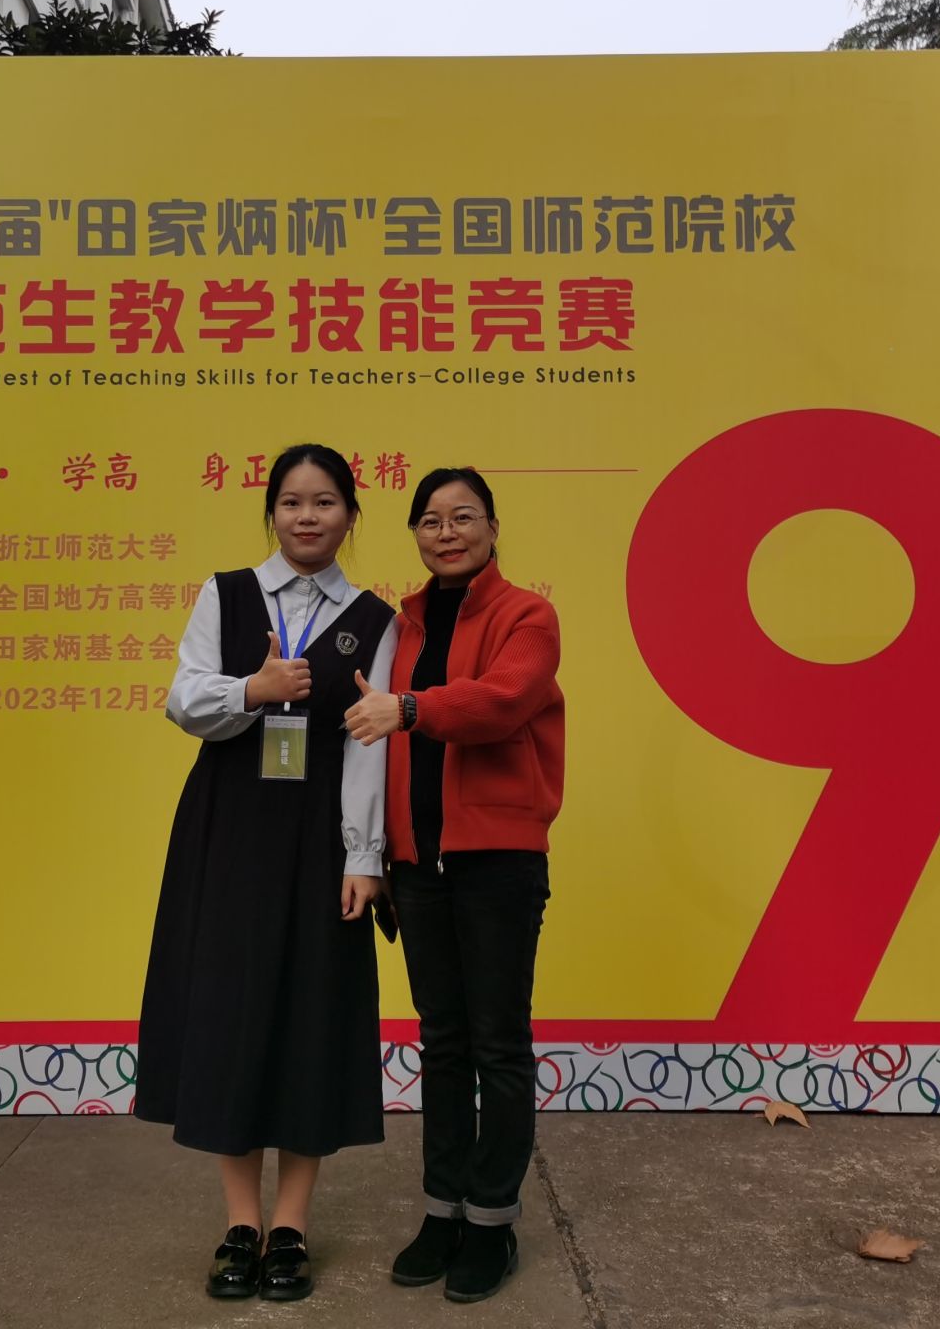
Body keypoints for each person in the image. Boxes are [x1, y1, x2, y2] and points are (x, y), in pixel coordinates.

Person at [135, 443, 399, 1302]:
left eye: (324, 502)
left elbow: (370, 747)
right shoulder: (227, 594)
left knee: (310, 1016)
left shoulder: (374, 619)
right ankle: (240, 1224)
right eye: (291, 502)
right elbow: (184, 700)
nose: (307, 517)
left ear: (350, 515)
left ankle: (291, 1226)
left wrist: (364, 857)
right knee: (232, 1013)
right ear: (271, 513)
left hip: (321, 838)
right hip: (230, 830)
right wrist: (253, 689)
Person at [344, 466, 564, 1305]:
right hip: (419, 865)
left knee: (498, 1045)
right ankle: (443, 1210)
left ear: (493, 528)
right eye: (431, 520)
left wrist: (409, 709)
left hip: (498, 862)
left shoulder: (526, 616)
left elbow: (502, 703)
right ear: (415, 534)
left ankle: (492, 1222)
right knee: (441, 1043)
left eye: (464, 516)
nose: (447, 532)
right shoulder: (400, 626)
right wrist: (377, 856)